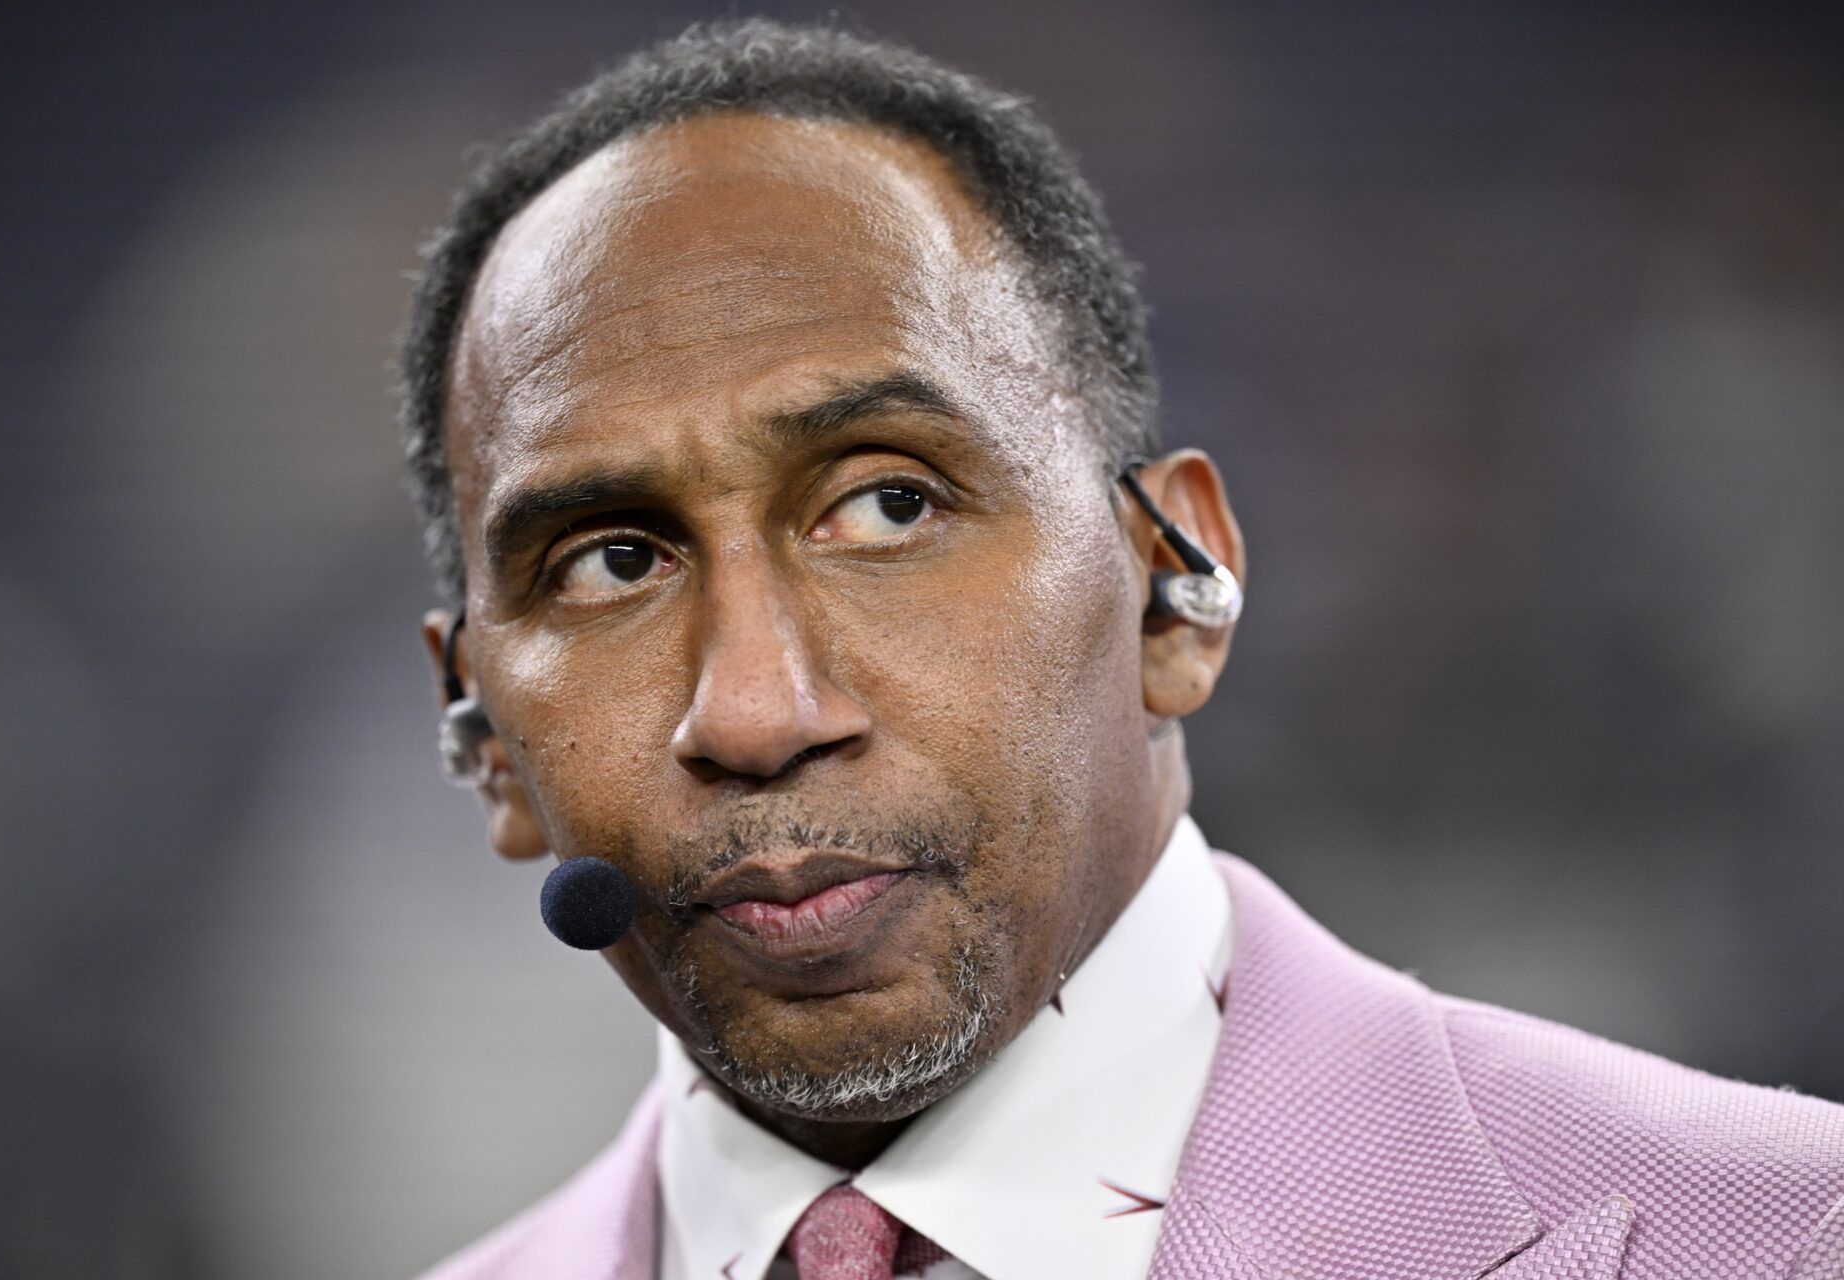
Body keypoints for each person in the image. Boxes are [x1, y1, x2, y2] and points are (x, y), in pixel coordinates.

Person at [396, 19, 1844, 1280]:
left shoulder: (1780, 1239)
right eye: (611, 563)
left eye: (890, 505)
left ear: (1175, 585)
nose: (761, 711)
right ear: (484, 744)